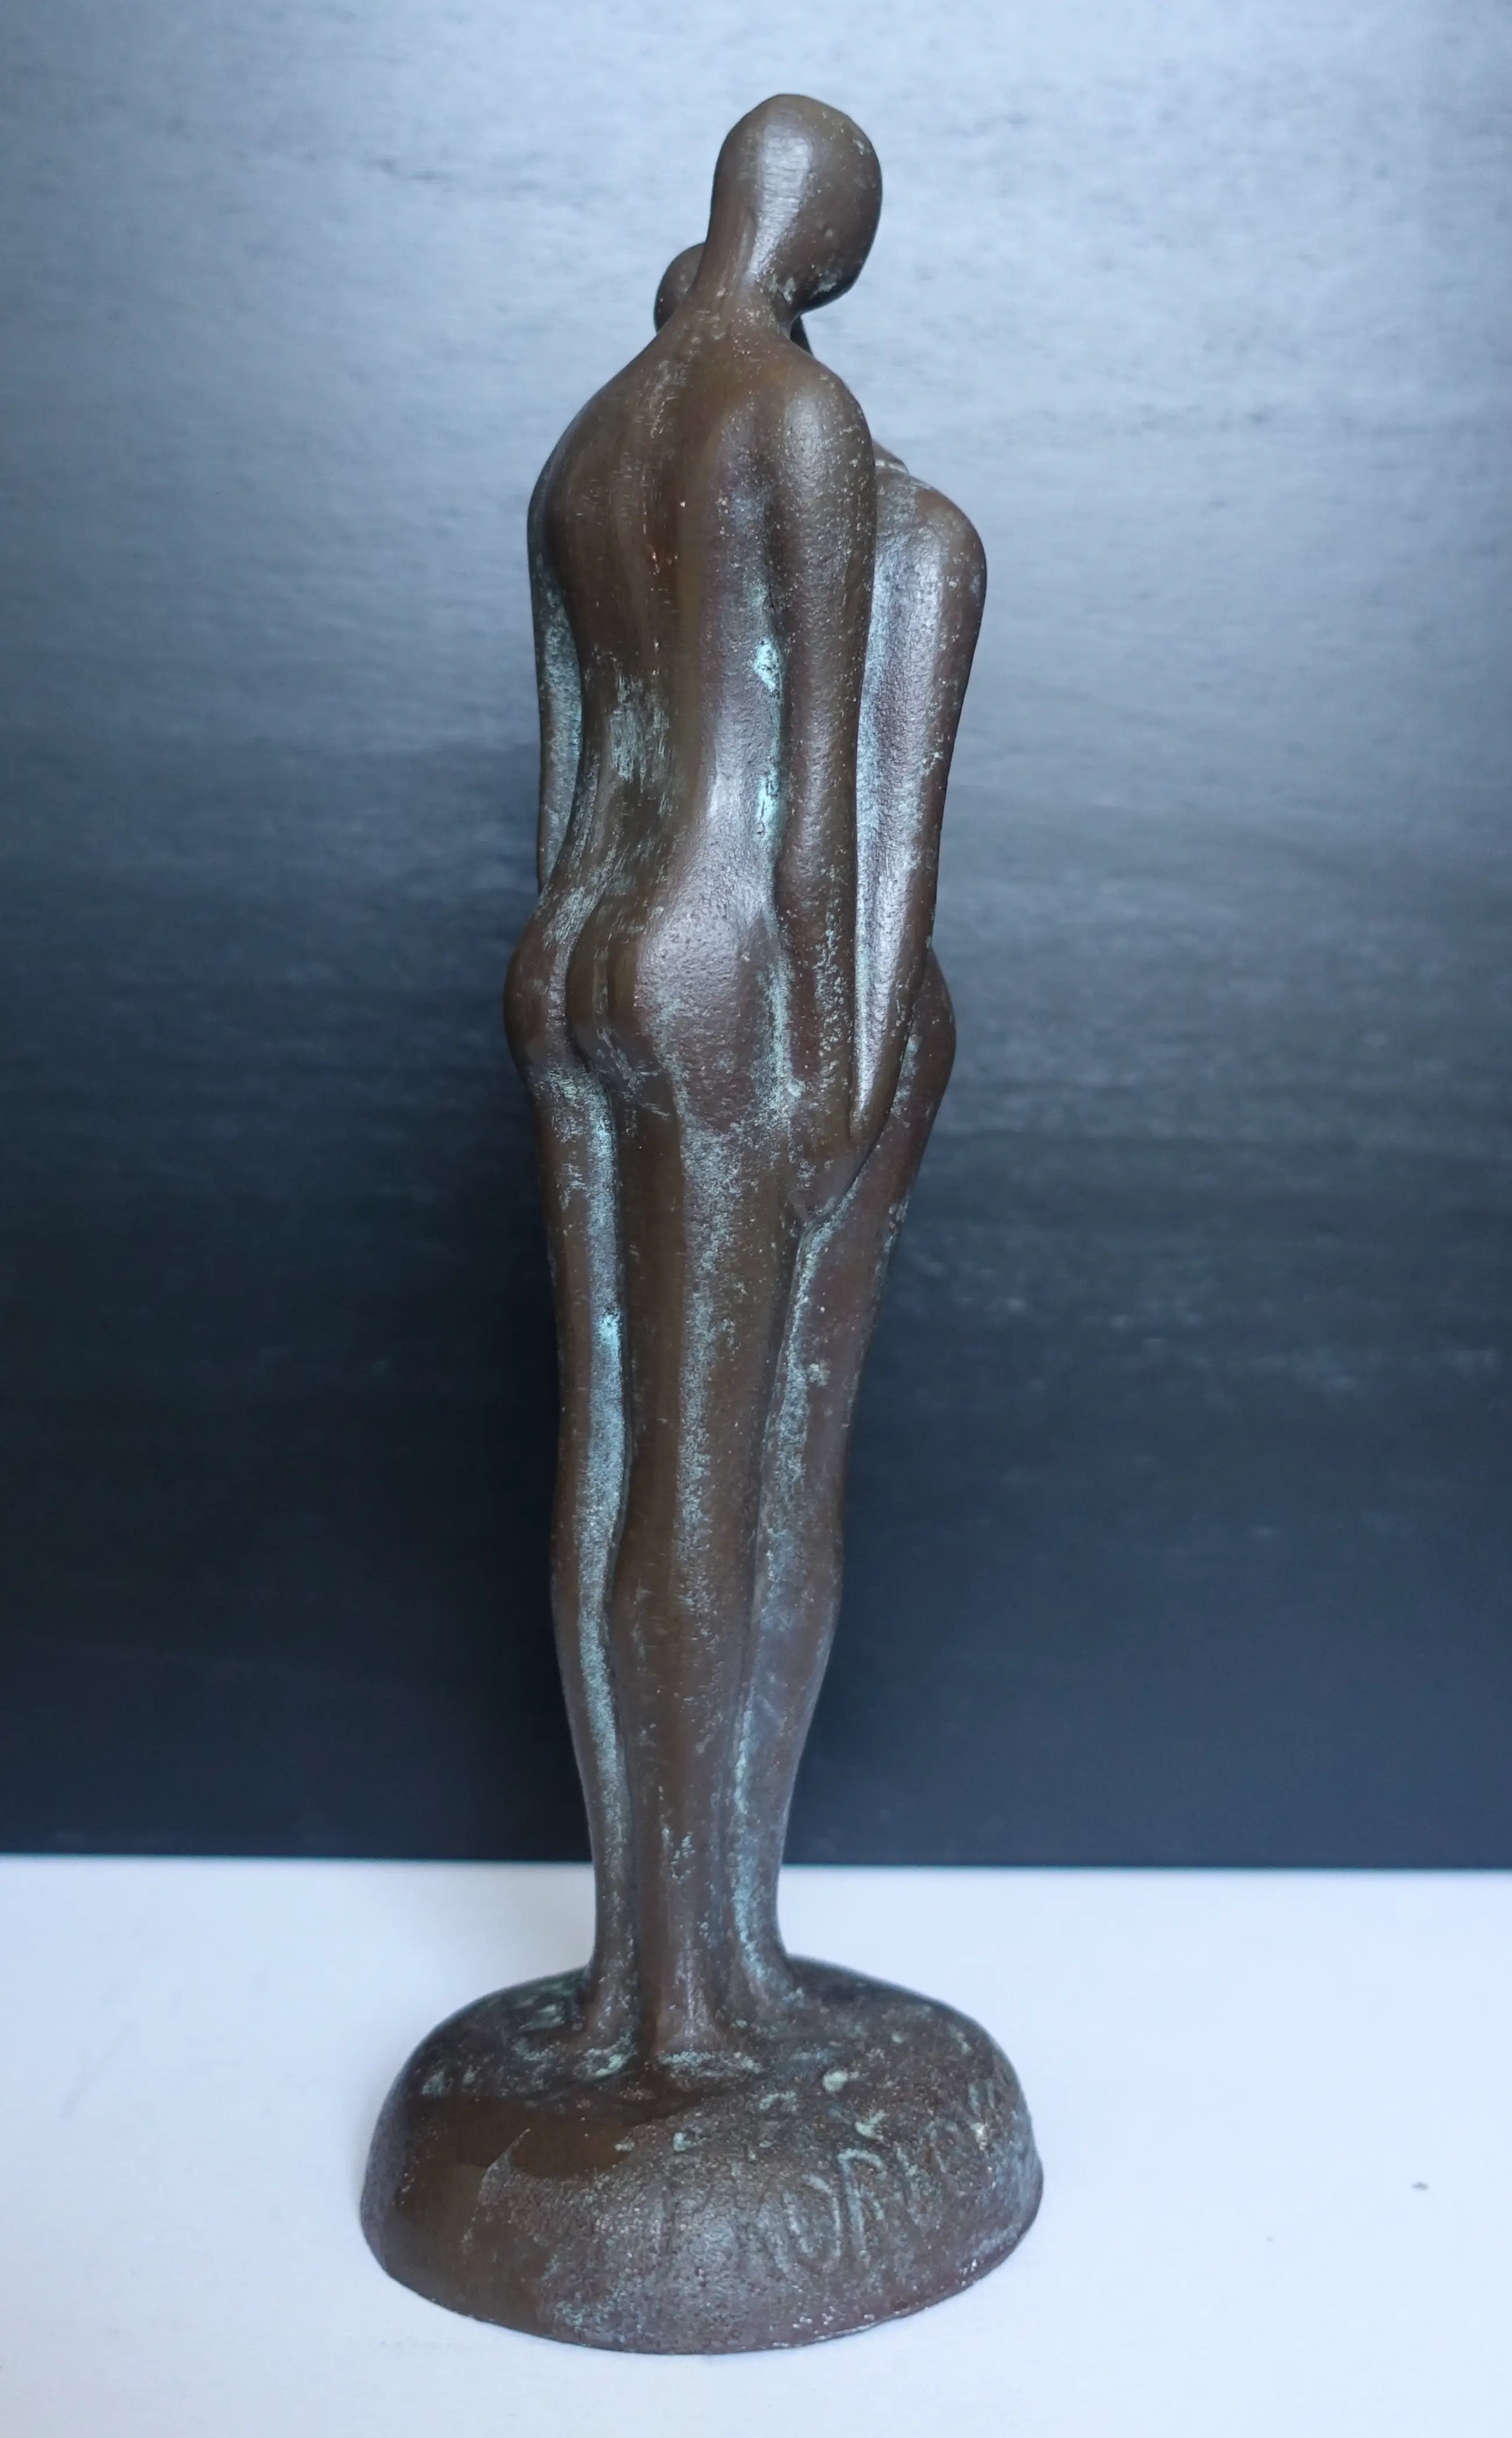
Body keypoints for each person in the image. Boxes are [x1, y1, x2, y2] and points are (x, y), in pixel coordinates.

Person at [504, 94, 985, 2069]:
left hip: (575, 953)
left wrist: (576, 968)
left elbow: (567, 765)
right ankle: (698, 1989)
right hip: (728, 961)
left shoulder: (585, 444)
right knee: (727, 1467)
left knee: (609, 1447)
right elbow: (819, 825)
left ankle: (634, 1962)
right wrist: (838, 1067)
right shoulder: (797, 418)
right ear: (831, 244)